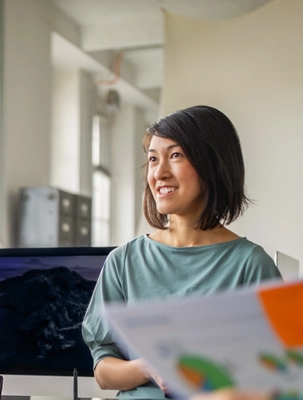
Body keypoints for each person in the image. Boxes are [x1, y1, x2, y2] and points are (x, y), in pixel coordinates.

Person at [81, 105, 281, 399]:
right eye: (152, 159)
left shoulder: (251, 265)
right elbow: (103, 371)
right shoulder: (123, 261)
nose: (159, 172)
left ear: (212, 163)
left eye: (175, 155)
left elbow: (278, 378)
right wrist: (150, 367)